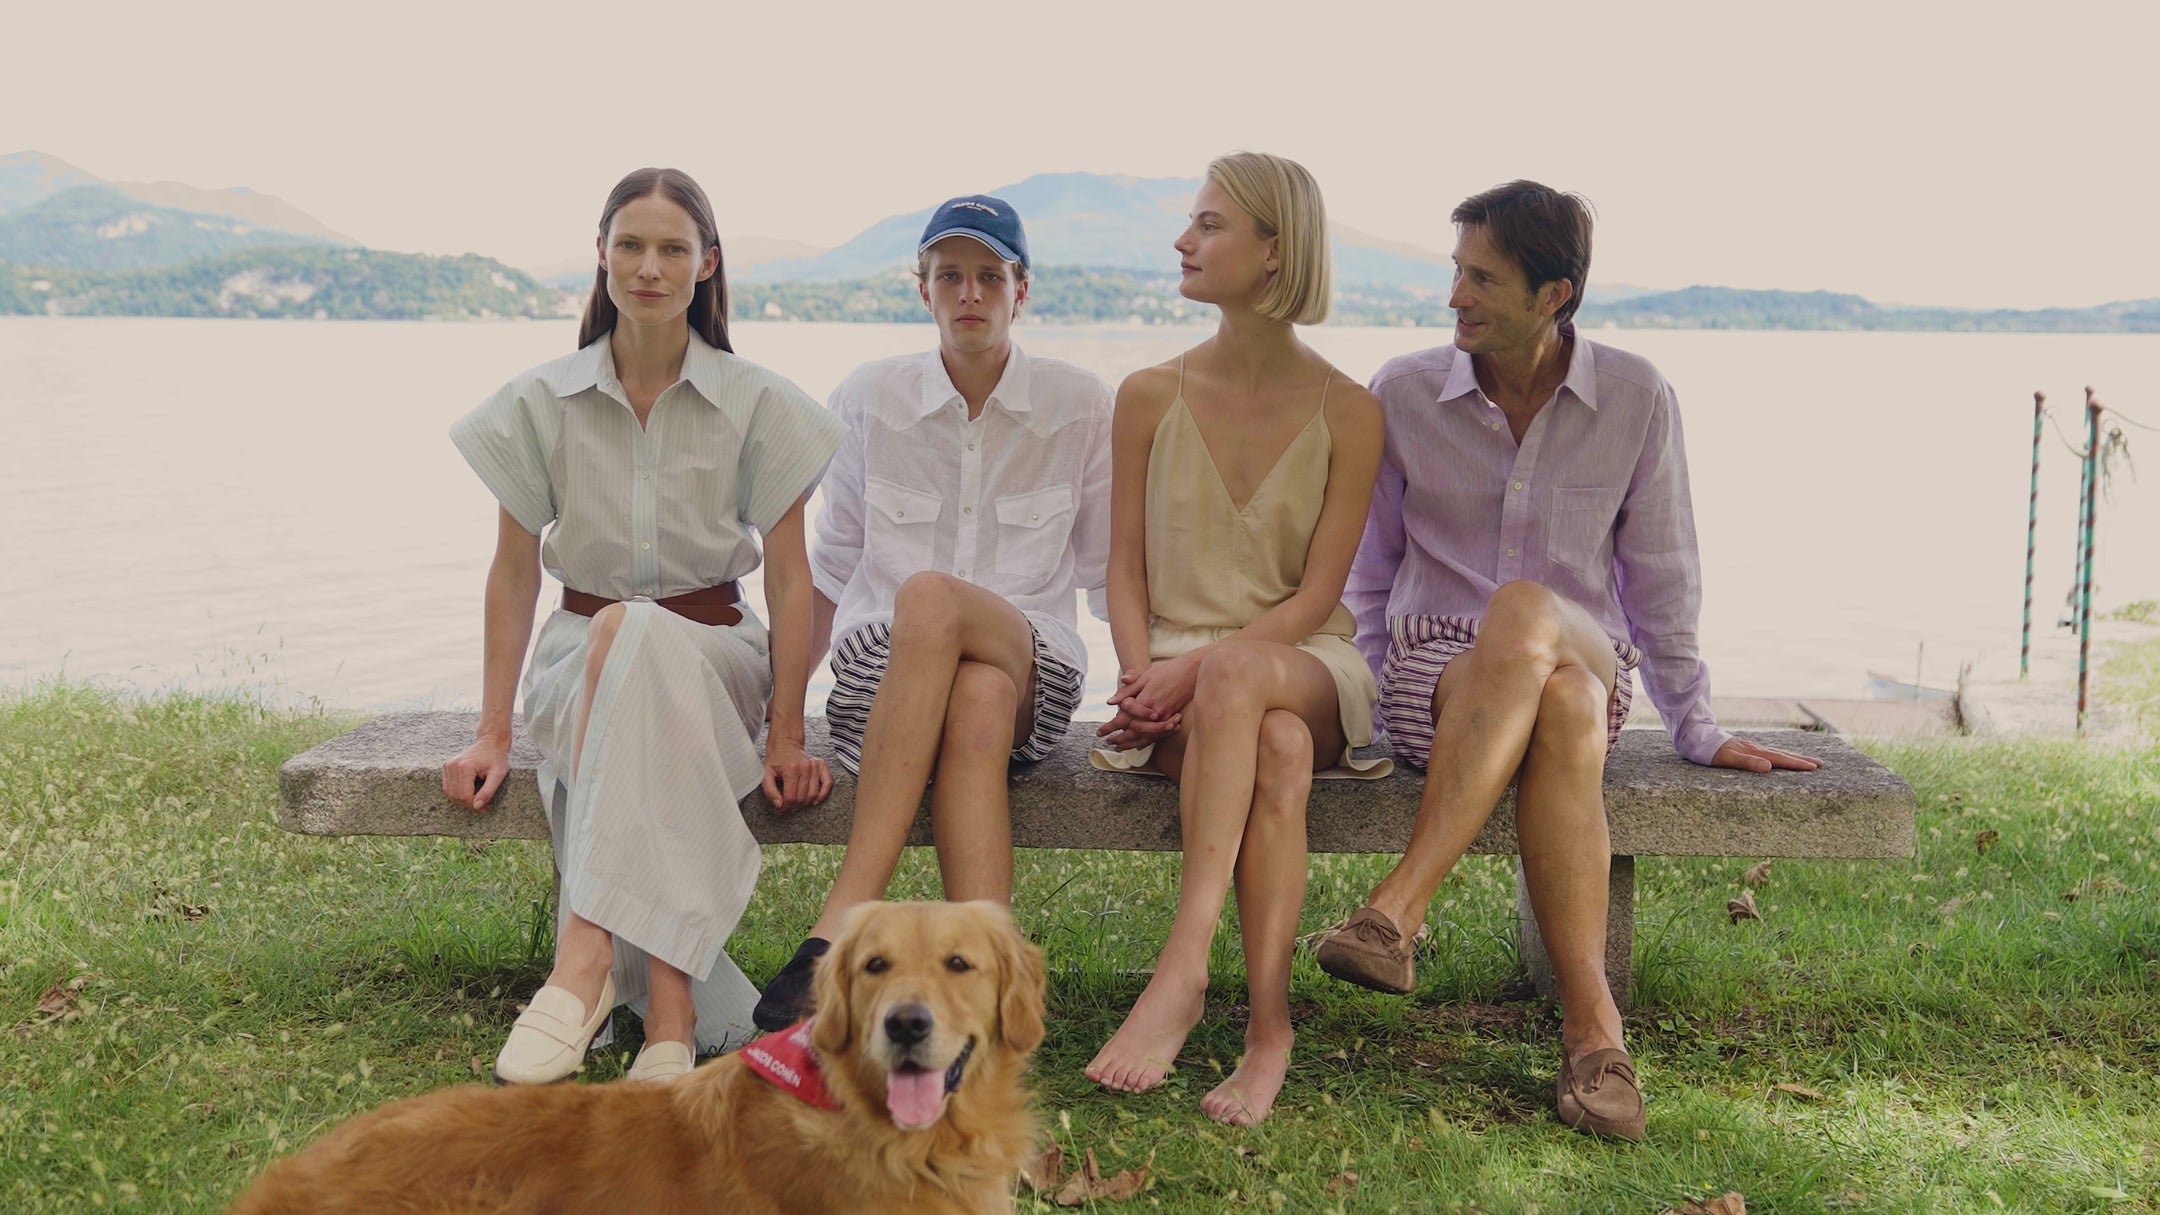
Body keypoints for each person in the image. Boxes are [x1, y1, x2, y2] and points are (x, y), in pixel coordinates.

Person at [1317, 180, 1821, 1140]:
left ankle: (1396, 911)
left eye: (1482, 278)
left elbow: (1663, 571)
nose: (1455, 296)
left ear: (1555, 293)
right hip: (1444, 673)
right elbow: (1370, 574)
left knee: (1529, 613)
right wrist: (1371, 696)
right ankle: (1594, 1033)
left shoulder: (1635, 396)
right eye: (1455, 272)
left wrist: (1695, 722)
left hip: (1586, 642)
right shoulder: (1404, 391)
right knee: (1566, 709)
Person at [440, 167, 843, 1086]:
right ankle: (670, 1015)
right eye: (631, 245)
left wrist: (786, 728)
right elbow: (511, 576)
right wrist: (493, 728)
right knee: (624, 631)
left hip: (718, 656)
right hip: (574, 656)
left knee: (644, 633)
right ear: (601, 255)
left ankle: (580, 964)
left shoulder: (759, 401)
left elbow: (788, 577)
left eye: (671, 248)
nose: (649, 266)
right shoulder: (539, 401)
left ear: (707, 263)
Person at [751, 195, 1113, 1032]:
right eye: (950, 275)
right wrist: (783, 725)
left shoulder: (1082, 403)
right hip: (887, 680)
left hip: (1036, 667)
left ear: (1022, 289)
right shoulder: (868, 397)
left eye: (990, 275)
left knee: (931, 597)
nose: (970, 293)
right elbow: (831, 574)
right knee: (968, 688)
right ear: (923, 291)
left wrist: (1147, 689)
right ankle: (988, 985)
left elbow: (1104, 572)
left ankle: (845, 917)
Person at [1082, 152, 1387, 1126]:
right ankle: (1268, 1032)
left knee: (1263, 692)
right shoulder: (1144, 394)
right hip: (1178, 680)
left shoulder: (1352, 411)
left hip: (1304, 664)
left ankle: (1182, 968)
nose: (1184, 240)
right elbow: (1121, 571)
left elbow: (1316, 598)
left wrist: (1199, 670)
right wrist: (1144, 677)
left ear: (1273, 250)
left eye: (1209, 224)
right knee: (1278, 751)